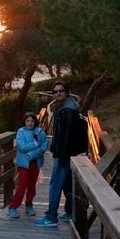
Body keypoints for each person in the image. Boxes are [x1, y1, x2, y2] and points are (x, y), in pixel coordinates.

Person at [35, 82, 85, 227]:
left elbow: (67, 136)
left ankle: (51, 217)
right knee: (67, 183)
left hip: (64, 154)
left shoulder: (66, 111)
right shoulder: (71, 106)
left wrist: (61, 156)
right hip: (71, 153)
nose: (58, 93)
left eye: (61, 91)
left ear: (67, 92)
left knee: (55, 185)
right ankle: (70, 211)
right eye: (55, 92)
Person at [7, 112, 48, 218]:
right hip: (24, 164)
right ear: (24, 121)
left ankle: (29, 205)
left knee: (32, 186)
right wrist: (34, 144)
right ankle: (13, 207)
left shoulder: (40, 132)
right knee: (22, 186)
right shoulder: (21, 132)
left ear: (35, 122)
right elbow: (22, 147)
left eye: (32, 121)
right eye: (28, 121)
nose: (30, 123)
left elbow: (43, 147)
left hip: (36, 163)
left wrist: (31, 155)